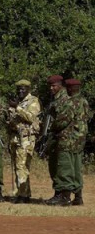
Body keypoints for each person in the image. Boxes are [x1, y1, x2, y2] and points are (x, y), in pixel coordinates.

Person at [44, 74, 77, 206]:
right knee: (54, 167)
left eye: (53, 86)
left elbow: (63, 120)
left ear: (60, 85)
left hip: (64, 138)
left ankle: (65, 197)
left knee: (64, 168)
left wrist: (51, 128)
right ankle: (58, 194)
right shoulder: (55, 99)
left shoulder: (65, 99)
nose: (51, 88)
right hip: (56, 138)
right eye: (50, 86)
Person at [7, 79, 41, 204]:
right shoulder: (17, 101)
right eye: (19, 89)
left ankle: (24, 195)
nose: (20, 91)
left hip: (26, 138)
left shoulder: (33, 101)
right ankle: (19, 193)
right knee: (16, 166)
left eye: (23, 89)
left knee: (22, 166)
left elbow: (31, 117)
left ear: (28, 89)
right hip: (14, 137)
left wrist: (17, 108)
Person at [64, 78, 91, 205]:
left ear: (70, 89)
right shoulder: (84, 101)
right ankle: (78, 197)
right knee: (78, 167)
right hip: (81, 138)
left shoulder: (71, 103)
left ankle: (67, 196)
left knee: (70, 167)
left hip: (71, 138)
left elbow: (65, 120)